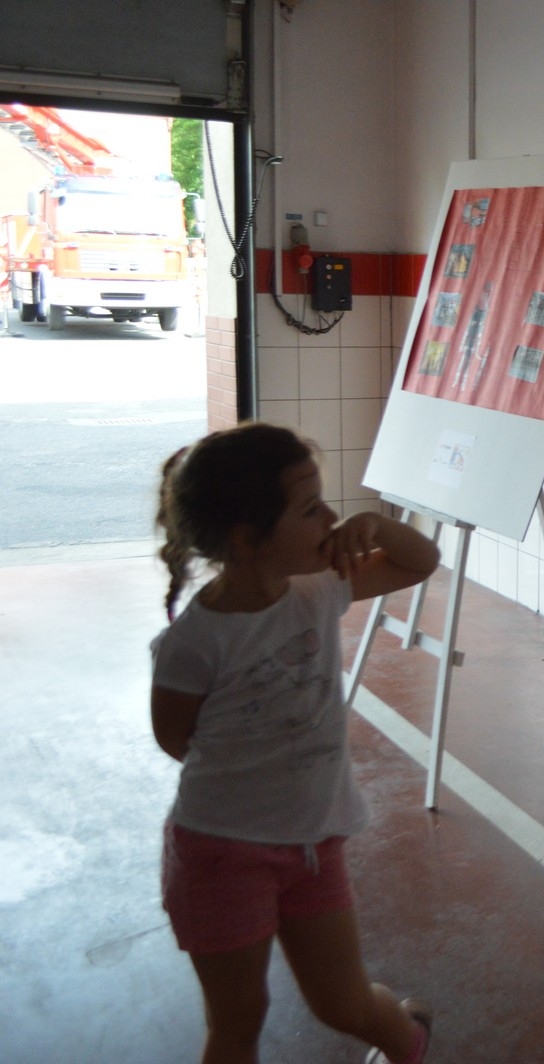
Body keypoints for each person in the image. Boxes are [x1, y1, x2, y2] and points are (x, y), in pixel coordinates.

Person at [150, 422, 441, 1064]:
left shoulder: (320, 587)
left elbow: (420, 562)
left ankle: (408, 1040)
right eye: (310, 509)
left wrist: (379, 525)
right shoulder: (193, 642)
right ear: (245, 538)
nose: (332, 520)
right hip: (220, 855)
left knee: (342, 1003)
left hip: (313, 845)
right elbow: (174, 739)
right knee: (237, 1021)